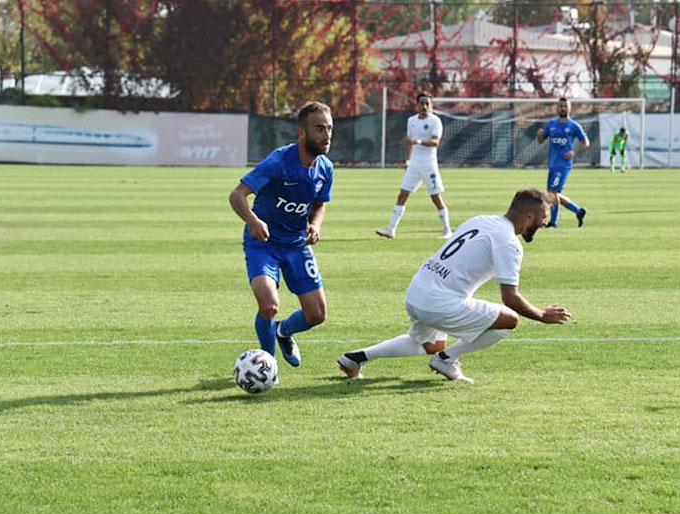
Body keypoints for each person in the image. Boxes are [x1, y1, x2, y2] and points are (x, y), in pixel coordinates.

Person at [338, 188, 572, 383]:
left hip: (417, 291)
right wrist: (542, 315)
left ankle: (355, 358)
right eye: (542, 219)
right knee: (509, 320)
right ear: (529, 215)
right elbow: (510, 298)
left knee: (430, 344)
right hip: (438, 302)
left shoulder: (481, 219)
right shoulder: (509, 242)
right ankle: (446, 360)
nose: (544, 224)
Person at [228, 101, 334, 368]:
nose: (326, 135)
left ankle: (284, 331)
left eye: (329, 128)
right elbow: (237, 195)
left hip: (297, 245)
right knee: (268, 305)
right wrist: (252, 220)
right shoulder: (278, 162)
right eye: (319, 128)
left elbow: (320, 204)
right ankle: (268, 363)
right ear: (302, 132)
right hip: (263, 243)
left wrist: (316, 225)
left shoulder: (325, 168)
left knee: (317, 315)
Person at [376, 92, 452, 240]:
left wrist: (417, 142)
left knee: (435, 197)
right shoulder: (411, 120)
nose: (424, 106)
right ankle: (391, 230)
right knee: (402, 195)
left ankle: (447, 230)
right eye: (421, 103)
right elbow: (409, 141)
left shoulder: (435, 121)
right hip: (414, 165)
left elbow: (435, 142)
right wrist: (408, 160)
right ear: (417, 105)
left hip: (428, 164)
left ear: (431, 105)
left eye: (427, 104)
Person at [536, 97, 589, 227]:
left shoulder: (573, 125)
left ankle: (553, 223)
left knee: (553, 193)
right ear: (557, 108)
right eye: (561, 106)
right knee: (553, 194)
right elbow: (541, 141)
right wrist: (539, 136)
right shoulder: (552, 124)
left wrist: (574, 152)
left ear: (570, 108)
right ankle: (578, 211)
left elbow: (586, 142)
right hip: (552, 163)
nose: (563, 108)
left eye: (565, 106)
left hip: (563, 164)